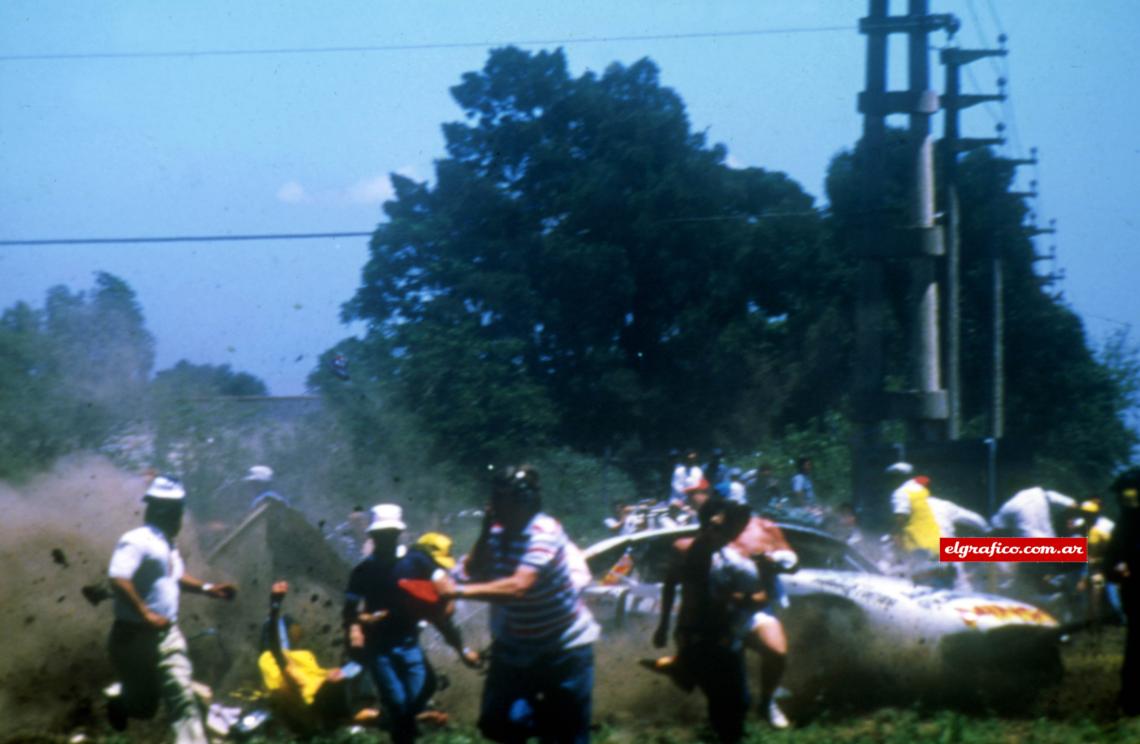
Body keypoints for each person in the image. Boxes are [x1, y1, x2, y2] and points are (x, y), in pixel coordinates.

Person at [447, 465, 600, 744]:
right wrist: (484, 531)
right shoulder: (496, 532)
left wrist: (456, 591)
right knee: (497, 724)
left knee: (567, 737)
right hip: (518, 647)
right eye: (494, 497)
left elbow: (518, 587)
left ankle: (557, 725)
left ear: (524, 500)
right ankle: (550, 721)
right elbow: (472, 571)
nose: (493, 504)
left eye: (501, 498)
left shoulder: (543, 531)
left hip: (565, 647)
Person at [105, 475, 237, 742]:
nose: (181, 518)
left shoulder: (167, 544)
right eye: (178, 511)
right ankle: (121, 700)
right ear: (166, 511)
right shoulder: (136, 540)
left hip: (167, 636)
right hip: (132, 636)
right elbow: (118, 577)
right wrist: (145, 612)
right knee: (144, 709)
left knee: (182, 697)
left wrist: (208, 588)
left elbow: (175, 576)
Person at [343, 505, 479, 744]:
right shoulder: (363, 571)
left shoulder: (418, 562)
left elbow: (441, 602)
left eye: (390, 534)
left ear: (399, 534)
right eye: (380, 535)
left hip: (409, 645)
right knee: (398, 704)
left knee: (412, 703)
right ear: (372, 537)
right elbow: (349, 612)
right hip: (379, 648)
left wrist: (462, 649)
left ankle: (395, 724)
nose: (385, 540)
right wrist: (359, 625)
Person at [650, 498, 754, 743]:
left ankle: (681, 669)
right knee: (720, 699)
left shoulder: (732, 555)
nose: (718, 530)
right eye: (714, 524)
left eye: (721, 525)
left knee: (739, 699)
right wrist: (663, 625)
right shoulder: (684, 549)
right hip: (694, 632)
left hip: (725, 632)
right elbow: (669, 585)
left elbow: (754, 594)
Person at [259, 580, 378, 732]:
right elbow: (274, 643)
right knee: (361, 662)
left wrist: (275, 602)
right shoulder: (297, 678)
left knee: (274, 623)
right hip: (322, 693)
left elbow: (275, 645)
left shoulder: (295, 680)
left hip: (277, 660)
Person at [1104, 467, 1140, 715]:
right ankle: (1131, 699)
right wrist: (1116, 571)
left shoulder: (1126, 522)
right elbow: (1111, 562)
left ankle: (1131, 699)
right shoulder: (1125, 523)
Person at [886, 463, 941, 560]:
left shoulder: (900, 493)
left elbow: (900, 518)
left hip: (919, 548)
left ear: (898, 477)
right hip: (938, 543)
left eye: (891, 478)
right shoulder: (922, 490)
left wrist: (894, 535)